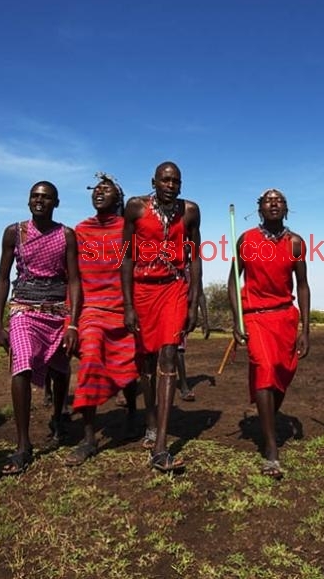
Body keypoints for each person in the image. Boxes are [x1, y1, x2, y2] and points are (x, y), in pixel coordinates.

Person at [0, 181, 82, 475]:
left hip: (57, 310)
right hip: (23, 308)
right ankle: (23, 445)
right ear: (28, 201)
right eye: (35, 196)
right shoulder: (14, 233)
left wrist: (72, 323)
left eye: (46, 197)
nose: (39, 201)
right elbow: (3, 278)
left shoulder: (66, 235)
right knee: (22, 365)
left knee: (60, 368)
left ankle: (58, 417)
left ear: (56, 203)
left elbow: (74, 281)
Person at [121, 161, 202, 472]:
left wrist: (193, 301)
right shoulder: (135, 208)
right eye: (165, 180)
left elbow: (195, 259)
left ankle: (160, 446)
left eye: (176, 181)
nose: (170, 184)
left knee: (168, 355)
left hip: (173, 289)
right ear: (154, 181)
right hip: (142, 291)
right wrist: (128, 305)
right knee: (147, 362)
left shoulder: (190, 211)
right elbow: (126, 258)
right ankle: (151, 420)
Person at [228, 189, 310, 479]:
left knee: (281, 374)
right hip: (256, 317)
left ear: (286, 209)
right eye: (268, 200)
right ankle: (271, 450)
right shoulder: (247, 240)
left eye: (280, 200)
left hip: (285, 318)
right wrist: (237, 321)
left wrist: (306, 330)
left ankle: (267, 421)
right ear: (259, 208)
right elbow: (231, 282)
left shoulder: (296, 243)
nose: (274, 203)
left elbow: (302, 286)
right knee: (264, 369)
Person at [64, 173, 140, 466]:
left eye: (106, 189)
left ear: (118, 199)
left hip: (124, 308)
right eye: (96, 189)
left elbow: (138, 268)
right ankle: (89, 438)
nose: (99, 192)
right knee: (91, 360)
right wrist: (71, 320)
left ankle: (133, 411)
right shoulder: (80, 230)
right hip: (92, 310)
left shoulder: (128, 229)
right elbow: (73, 277)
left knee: (130, 363)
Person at [177, 273, 210, 402]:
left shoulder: (193, 271)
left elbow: (200, 294)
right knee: (174, 349)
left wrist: (205, 321)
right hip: (171, 309)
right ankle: (184, 387)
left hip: (186, 315)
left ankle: (183, 386)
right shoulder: (172, 266)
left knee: (177, 348)